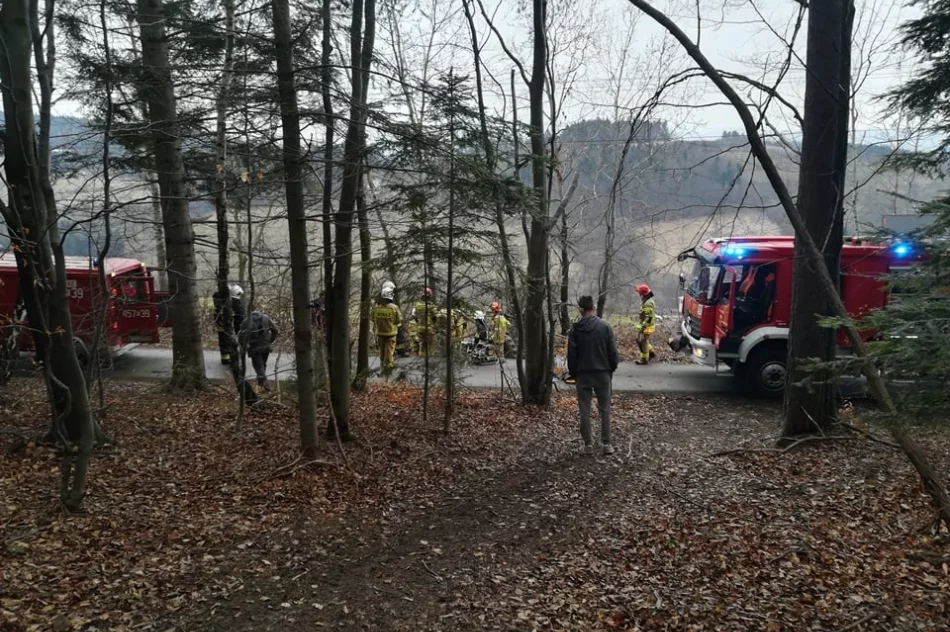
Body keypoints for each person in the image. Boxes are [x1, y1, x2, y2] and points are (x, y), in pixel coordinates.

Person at [567, 295, 619, 455]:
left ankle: (588, 444)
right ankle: (606, 444)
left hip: (583, 374)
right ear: (593, 307)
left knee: (584, 408)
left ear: (581, 310)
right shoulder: (605, 327)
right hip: (602, 373)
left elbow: (572, 356)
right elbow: (613, 353)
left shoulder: (575, 330)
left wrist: (574, 373)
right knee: (604, 409)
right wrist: (611, 368)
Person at [239, 309, 278, 391]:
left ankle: (265, 384)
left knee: (259, 367)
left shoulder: (246, 321)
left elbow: (241, 335)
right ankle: (261, 387)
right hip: (265, 346)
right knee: (262, 365)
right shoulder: (266, 318)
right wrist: (270, 341)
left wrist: (245, 346)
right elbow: (275, 330)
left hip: (254, 347)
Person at [212, 284, 246, 365]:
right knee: (232, 343)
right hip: (231, 327)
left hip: (220, 326)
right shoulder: (234, 304)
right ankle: (233, 360)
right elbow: (240, 317)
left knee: (223, 342)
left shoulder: (219, 302)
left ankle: (225, 359)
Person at [371, 285, 403, 373]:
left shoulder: (377, 308)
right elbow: (399, 320)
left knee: (381, 351)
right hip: (391, 334)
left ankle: (382, 365)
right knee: (389, 352)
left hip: (380, 333)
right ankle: (389, 369)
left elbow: (373, 319)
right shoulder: (394, 308)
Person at [635, 283, 657, 366]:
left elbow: (648, 317)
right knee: (643, 340)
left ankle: (644, 359)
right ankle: (651, 353)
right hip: (646, 325)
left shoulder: (648, 303)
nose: (639, 294)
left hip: (647, 326)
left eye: (640, 293)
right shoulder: (647, 301)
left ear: (643, 294)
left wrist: (642, 326)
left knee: (643, 342)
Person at [414, 287, 436, 356]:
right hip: (429, 328)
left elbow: (414, 316)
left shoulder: (417, 305)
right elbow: (435, 317)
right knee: (430, 344)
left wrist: (418, 323)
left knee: (422, 343)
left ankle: (421, 356)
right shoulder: (431, 306)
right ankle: (429, 357)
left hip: (420, 328)